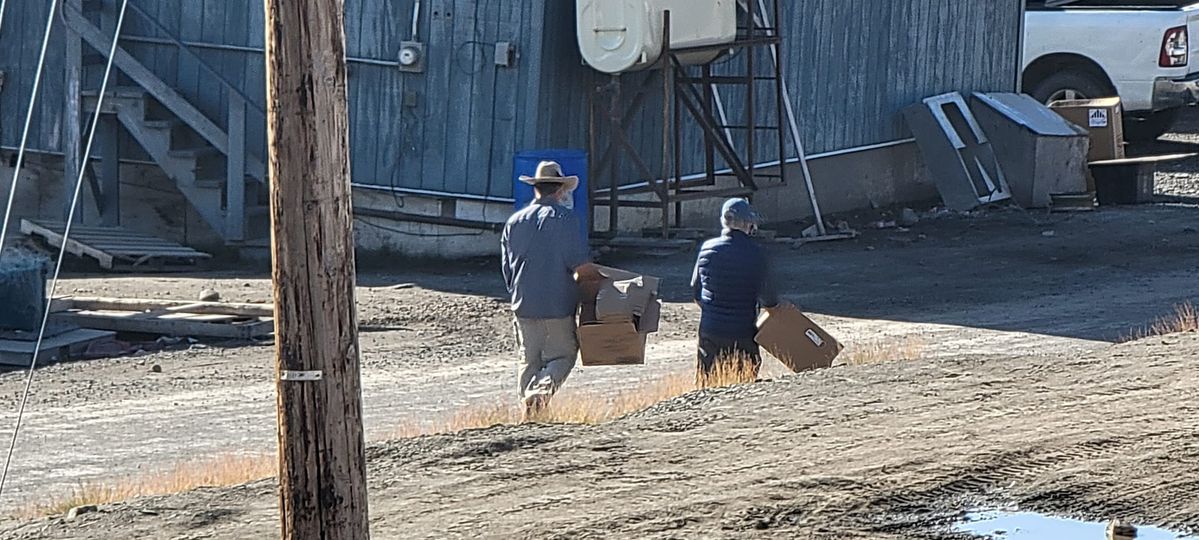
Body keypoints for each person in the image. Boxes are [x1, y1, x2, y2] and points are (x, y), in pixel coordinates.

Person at [501, 160, 599, 419]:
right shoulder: (565, 220)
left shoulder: (513, 222)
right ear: (560, 190)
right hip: (557, 305)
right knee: (563, 355)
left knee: (528, 361)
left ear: (536, 189)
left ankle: (528, 418)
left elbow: (507, 269)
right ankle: (541, 393)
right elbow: (580, 266)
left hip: (522, 304)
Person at [690, 198, 783, 385]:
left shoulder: (706, 249)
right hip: (742, 333)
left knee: (706, 387)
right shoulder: (757, 253)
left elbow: (695, 291)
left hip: (710, 330)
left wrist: (714, 311)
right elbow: (770, 300)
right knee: (743, 387)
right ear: (748, 224)